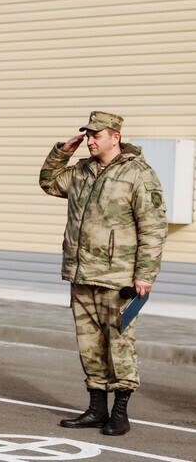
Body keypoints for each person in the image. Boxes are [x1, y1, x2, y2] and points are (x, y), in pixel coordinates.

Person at [39, 111, 167, 436]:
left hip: (119, 279)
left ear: (115, 137)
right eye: (88, 134)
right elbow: (48, 182)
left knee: (120, 345)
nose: (91, 140)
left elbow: (153, 228)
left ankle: (120, 413)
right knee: (89, 346)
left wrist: (145, 274)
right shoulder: (81, 171)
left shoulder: (139, 174)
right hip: (82, 275)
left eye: (97, 134)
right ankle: (96, 409)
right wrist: (62, 151)